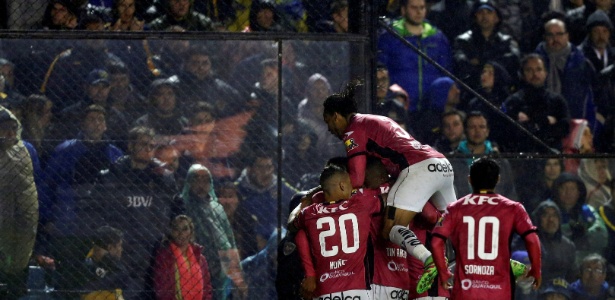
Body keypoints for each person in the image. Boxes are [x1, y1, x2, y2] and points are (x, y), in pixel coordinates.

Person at [322, 80, 457, 292]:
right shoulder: (375, 120)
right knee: (452, 224)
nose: (329, 129)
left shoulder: (352, 130)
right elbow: (429, 216)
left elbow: (356, 179)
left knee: (391, 229)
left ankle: (430, 261)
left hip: (417, 169)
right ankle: (494, 261)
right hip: (441, 165)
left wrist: (332, 189)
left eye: (328, 121)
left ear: (337, 116)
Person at [430, 157, 542, 298]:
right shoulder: (513, 208)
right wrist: (536, 269)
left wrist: (443, 272)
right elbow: (532, 240)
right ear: (498, 180)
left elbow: (436, 242)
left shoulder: (454, 208)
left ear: (470, 180)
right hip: (499, 291)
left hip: (466, 291)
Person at [294, 165, 381, 299]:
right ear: (342, 185)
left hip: (325, 290)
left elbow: (294, 228)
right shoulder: (361, 205)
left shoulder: (309, 213)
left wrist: (306, 200)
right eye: (350, 184)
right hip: (357, 291)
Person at [172, 164, 246, 300]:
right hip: (193, 264)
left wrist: (236, 275)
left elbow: (227, 240)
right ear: (189, 182)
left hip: (219, 265)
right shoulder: (181, 205)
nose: (201, 184)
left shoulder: (216, 207)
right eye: (196, 179)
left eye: (205, 180)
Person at [377, 0, 452, 122]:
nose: (419, 12)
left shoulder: (438, 38)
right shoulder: (389, 36)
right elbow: (381, 71)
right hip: (400, 108)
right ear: (403, 10)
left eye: (422, 7)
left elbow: (447, 70)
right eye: (414, 7)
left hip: (431, 111)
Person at [0, 107, 38, 300]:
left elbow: (29, 193)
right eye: (5, 129)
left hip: (14, 228)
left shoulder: (24, 151)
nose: (10, 134)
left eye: (14, 128)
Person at [501, 54, 570, 153]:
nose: (535, 74)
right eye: (529, 70)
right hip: (522, 157)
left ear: (545, 73)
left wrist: (532, 122)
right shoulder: (513, 102)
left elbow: (565, 128)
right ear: (522, 74)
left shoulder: (557, 100)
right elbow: (509, 132)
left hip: (551, 157)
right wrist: (546, 121)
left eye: (539, 69)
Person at [535, 18, 596, 129]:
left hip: (576, 125)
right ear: (544, 37)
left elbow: (592, 97)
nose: (555, 39)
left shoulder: (581, 63)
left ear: (567, 36)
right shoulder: (534, 63)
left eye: (559, 34)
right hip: (544, 126)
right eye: (550, 35)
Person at [153, 214, 213, 300]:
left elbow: (207, 288)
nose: (181, 234)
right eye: (176, 229)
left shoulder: (200, 258)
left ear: (191, 231)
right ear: (172, 232)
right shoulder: (165, 258)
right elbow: (162, 289)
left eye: (185, 229)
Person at [77, 226, 127, 299]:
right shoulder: (85, 263)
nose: (121, 249)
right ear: (110, 248)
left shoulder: (116, 268)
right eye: (119, 245)